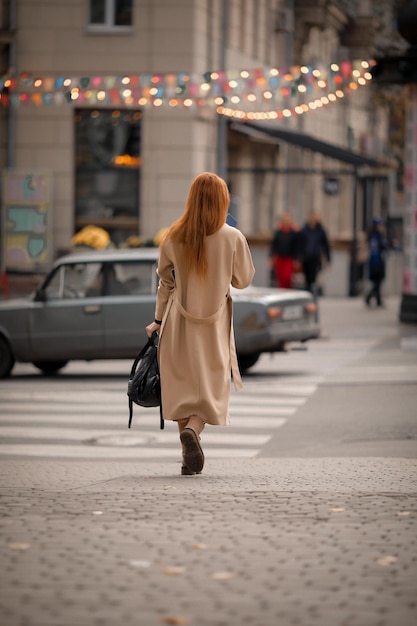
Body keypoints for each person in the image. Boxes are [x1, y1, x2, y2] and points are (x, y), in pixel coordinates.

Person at [145, 172, 255, 476]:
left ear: (191, 200)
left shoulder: (174, 236)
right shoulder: (232, 237)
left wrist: (156, 320)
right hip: (214, 324)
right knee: (211, 389)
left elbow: (165, 283)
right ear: (223, 202)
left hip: (177, 322)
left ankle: (186, 455)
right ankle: (194, 429)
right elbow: (243, 280)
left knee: (181, 388)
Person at [297, 210, 331, 293]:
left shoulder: (321, 231)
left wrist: (328, 259)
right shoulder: (304, 230)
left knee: (313, 279)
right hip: (306, 257)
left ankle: (312, 297)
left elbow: (325, 245)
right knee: (307, 279)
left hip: (316, 258)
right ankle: (308, 296)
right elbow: (300, 244)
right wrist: (298, 257)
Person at [269, 212, 298, 289]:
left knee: (287, 277)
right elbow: (274, 246)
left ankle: (288, 290)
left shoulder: (293, 233)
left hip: (289, 258)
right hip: (280, 257)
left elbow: (296, 246)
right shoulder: (278, 233)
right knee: (280, 277)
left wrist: (296, 259)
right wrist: (271, 257)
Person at [365, 217, 387, 308]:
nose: (382, 227)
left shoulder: (374, 236)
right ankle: (369, 298)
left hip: (375, 262)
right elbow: (380, 249)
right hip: (376, 263)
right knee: (377, 283)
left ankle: (378, 300)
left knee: (377, 283)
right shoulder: (376, 236)